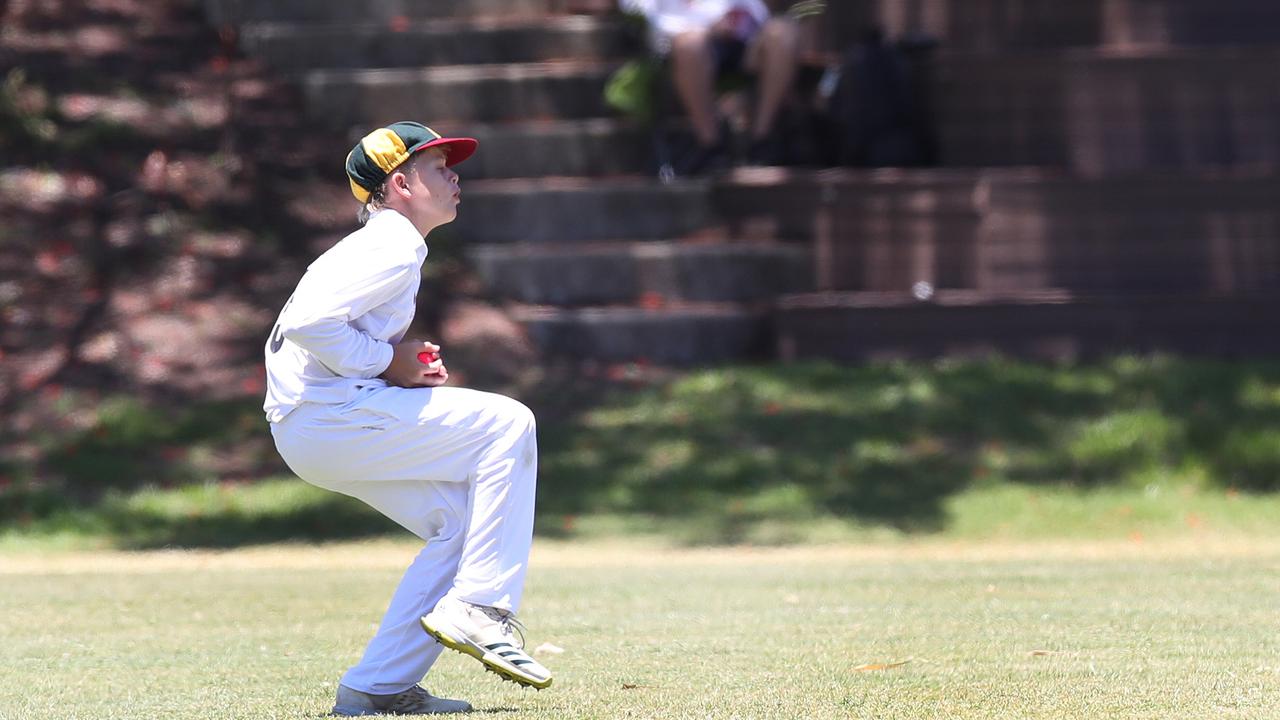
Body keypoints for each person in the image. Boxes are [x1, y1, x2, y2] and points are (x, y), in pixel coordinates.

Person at [263, 121, 552, 716]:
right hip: (326, 417)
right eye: (438, 167)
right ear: (400, 184)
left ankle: (377, 688)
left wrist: (396, 365)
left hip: (316, 422)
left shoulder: (388, 245)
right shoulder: (391, 245)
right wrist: (383, 359)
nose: (454, 176)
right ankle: (480, 608)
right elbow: (309, 324)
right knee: (509, 423)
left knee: (461, 522)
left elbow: (329, 332)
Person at [621, 0, 801, 172]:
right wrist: (708, 24)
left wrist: (737, 24)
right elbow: (640, 12)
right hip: (685, 41)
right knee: (690, 45)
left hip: (742, 39)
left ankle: (761, 142)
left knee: (783, 33)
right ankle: (711, 148)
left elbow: (754, 10)